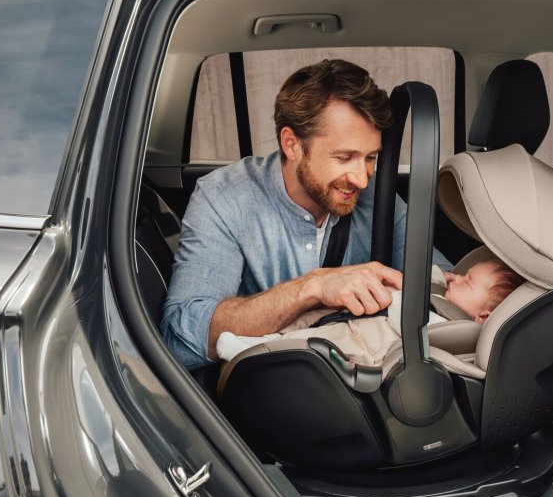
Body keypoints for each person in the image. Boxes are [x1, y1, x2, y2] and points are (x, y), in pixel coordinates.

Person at [161, 59, 450, 370]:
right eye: (344, 157)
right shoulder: (225, 198)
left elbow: (444, 287)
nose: (362, 179)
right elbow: (181, 340)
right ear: (292, 144)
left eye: (370, 158)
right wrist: (312, 287)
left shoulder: (378, 197)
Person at [214, 257, 525, 366]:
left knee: (314, 340)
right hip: (359, 322)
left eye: (467, 282)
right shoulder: (448, 301)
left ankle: (256, 351)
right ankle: (263, 339)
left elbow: (409, 319)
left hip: (365, 342)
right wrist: (440, 280)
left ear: (483, 317)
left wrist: (405, 293)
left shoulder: (454, 328)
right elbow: (427, 277)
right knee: (310, 318)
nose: (456, 278)